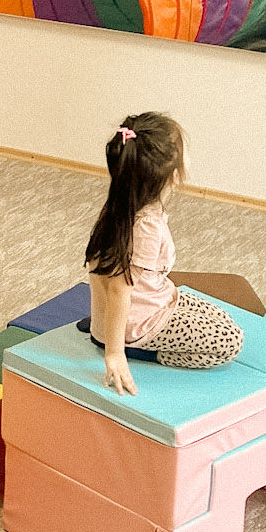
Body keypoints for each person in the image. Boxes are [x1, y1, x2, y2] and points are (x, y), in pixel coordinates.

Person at [80, 111, 244, 397]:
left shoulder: (124, 203)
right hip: (140, 323)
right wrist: (115, 353)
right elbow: (118, 290)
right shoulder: (145, 227)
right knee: (230, 341)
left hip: (154, 300)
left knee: (226, 321)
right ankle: (143, 351)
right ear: (174, 175)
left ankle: (111, 334)